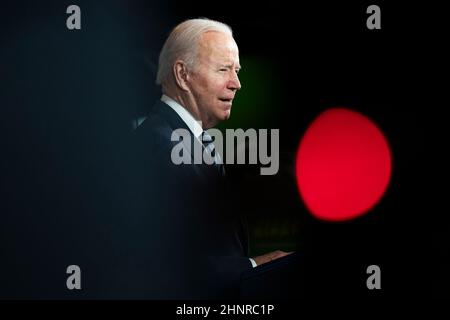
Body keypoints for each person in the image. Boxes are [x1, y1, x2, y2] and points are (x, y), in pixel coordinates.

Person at [127, 18, 291, 299]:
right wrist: (253, 267)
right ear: (182, 74)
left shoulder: (183, 139)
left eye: (236, 71)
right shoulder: (158, 146)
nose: (237, 83)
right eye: (223, 69)